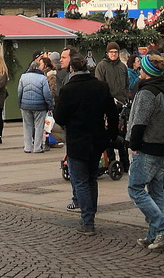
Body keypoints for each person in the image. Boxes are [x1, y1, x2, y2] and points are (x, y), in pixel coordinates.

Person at [56, 51, 119, 236]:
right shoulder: (100, 86)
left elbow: (59, 117)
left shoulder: (68, 89)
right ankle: (91, 215)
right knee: (91, 179)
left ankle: (87, 220)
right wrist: (111, 134)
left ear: (72, 68)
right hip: (97, 139)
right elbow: (113, 113)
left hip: (77, 140)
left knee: (80, 181)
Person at [127, 54, 164, 250]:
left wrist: (133, 144)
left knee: (136, 189)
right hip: (163, 146)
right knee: (156, 191)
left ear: (148, 72)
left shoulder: (147, 92)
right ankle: (154, 234)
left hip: (148, 146)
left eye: (142, 68)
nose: (139, 70)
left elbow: (140, 121)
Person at [17, 57, 53, 153]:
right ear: (38, 68)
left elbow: (19, 92)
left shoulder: (23, 77)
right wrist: (49, 106)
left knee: (27, 126)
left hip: (25, 105)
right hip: (39, 106)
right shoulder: (43, 78)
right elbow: (46, 93)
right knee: (39, 127)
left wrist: (20, 103)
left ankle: (27, 147)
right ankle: (37, 147)